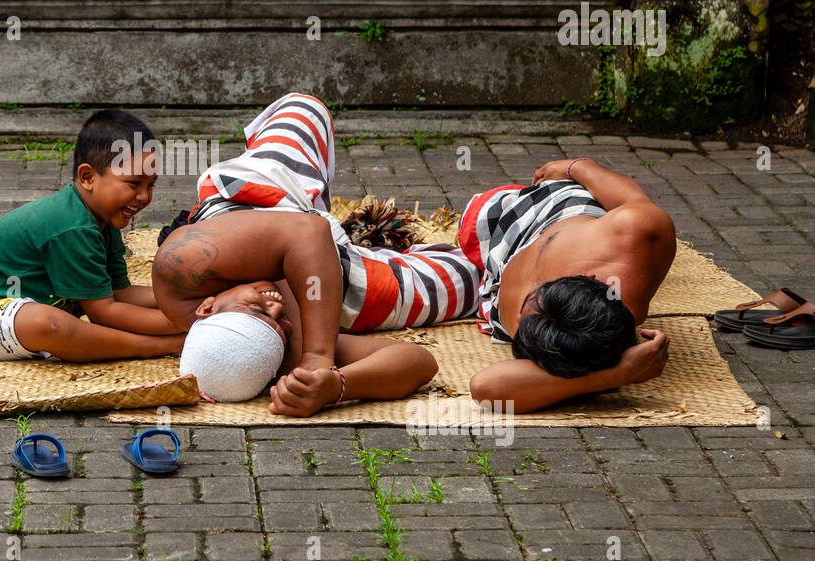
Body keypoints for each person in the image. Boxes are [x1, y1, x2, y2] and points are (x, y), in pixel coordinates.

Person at [153, 93, 477, 415]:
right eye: (280, 325)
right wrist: (336, 384)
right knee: (471, 275)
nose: (275, 307)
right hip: (344, 281)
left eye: (257, 309)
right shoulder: (283, 354)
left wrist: (319, 355)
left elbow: (309, 230)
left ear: (208, 308)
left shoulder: (180, 269)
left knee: (303, 106)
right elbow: (419, 362)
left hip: (271, 200)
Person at [0, 109, 185, 362]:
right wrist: (181, 321)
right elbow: (103, 312)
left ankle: (165, 338)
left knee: (61, 320)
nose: (144, 196)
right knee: (48, 324)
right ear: (88, 177)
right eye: (134, 184)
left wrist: (184, 301)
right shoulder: (73, 226)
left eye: (150, 185)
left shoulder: (104, 220)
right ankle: (160, 345)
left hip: (23, 310)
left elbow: (119, 292)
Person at [461, 158, 677, 413]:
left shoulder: (555, 348)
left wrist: (619, 373)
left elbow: (486, 387)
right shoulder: (639, 230)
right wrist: (574, 166)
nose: (520, 313)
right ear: (593, 279)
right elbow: (631, 198)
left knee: (470, 225)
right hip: (547, 208)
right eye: (537, 297)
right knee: (481, 209)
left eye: (526, 312)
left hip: (492, 248)